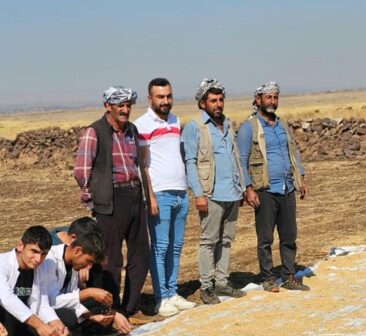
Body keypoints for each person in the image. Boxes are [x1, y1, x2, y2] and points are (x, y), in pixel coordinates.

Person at [74, 86, 159, 325]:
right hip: (110, 199)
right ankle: (112, 311)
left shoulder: (132, 130)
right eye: (120, 105)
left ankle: (131, 307)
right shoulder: (94, 132)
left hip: (134, 195)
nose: (125, 109)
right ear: (108, 106)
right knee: (110, 260)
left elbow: (138, 164)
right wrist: (93, 200)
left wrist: (145, 196)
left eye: (128, 105)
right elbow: (81, 171)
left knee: (141, 254)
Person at [237, 82, 310, 292]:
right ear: (258, 100)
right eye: (268, 97)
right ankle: (268, 278)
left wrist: (300, 178)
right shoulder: (249, 128)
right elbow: (241, 160)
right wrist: (248, 189)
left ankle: (288, 276)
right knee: (266, 238)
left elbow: (292, 152)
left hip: (287, 188)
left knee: (289, 236)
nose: (272, 101)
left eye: (275, 97)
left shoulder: (281, 125)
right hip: (265, 190)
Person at [133, 78, 195, 318]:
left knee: (176, 246)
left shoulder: (175, 121)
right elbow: (142, 164)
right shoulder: (142, 124)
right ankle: (161, 298)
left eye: (168, 96)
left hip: (180, 191)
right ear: (150, 98)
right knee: (160, 247)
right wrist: (150, 196)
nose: (165, 101)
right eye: (160, 97)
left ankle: (172, 291)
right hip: (159, 193)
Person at [182, 79, 247, 305]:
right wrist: (198, 193)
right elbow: (190, 162)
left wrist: (241, 187)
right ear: (202, 103)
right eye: (213, 100)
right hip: (211, 194)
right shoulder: (195, 127)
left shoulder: (226, 124)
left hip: (232, 192)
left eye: (220, 100)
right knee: (208, 241)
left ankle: (222, 281)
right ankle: (206, 286)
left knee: (226, 240)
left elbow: (235, 157)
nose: (218, 104)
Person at [44, 224, 132, 336]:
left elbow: (71, 300)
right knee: (69, 318)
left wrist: (93, 316)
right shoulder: (50, 260)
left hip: (61, 307)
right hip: (43, 311)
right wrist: (89, 292)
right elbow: (52, 302)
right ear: (77, 251)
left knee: (99, 305)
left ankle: (86, 329)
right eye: (88, 261)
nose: (89, 267)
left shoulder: (73, 263)